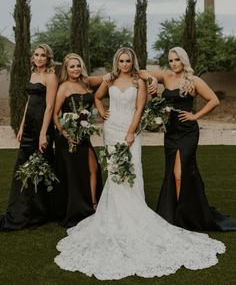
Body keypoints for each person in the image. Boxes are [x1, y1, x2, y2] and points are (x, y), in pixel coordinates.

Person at [54, 47, 225, 280]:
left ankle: (138, 212)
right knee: (115, 172)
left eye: (128, 60)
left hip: (130, 131)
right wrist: (103, 112)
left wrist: (132, 132)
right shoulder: (111, 78)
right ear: (117, 62)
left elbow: (139, 108)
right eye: (121, 60)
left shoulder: (138, 80)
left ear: (132, 61)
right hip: (112, 129)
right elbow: (96, 96)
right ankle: (112, 212)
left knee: (132, 170)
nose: (125, 64)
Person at [141, 46, 236, 231]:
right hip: (170, 132)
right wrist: (152, 79)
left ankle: (180, 218)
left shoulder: (193, 80)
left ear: (183, 60)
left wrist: (195, 115)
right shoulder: (166, 76)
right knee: (173, 172)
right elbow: (142, 72)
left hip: (187, 132)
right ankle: (185, 211)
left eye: (177, 60)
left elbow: (214, 100)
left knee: (180, 174)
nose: (174, 63)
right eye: (171, 60)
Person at [0, 44, 58, 231]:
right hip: (29, 126)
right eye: (36, 54)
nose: (39, 58)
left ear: (48, 58)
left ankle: (40, 211)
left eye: (43, 55)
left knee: (41, 167)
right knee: (23, 167)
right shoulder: (33, 75)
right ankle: (21, 209)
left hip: (42, 126)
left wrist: (43, 133)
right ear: (33, 57)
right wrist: (21, 126)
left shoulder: (51, 77)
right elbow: (29, 103)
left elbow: (49, 107)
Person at [53, 53, 104, 227]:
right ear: (66, 69)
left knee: (93, 168)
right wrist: (64, 132)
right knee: (74, 174)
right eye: (71, 66)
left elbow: (108, 77)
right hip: (68, 137)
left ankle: (94, 204)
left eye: (77, 65)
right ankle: (76, 208)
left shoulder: (87, 82)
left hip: (84, 135)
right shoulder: (63, 87)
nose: (75, 69)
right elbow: (55, 113)